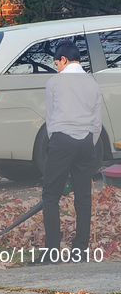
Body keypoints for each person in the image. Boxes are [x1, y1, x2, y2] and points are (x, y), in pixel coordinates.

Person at [37, 41, 102, 265]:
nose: (56, 67)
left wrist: (55, 140)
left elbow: (50, 117)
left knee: (50, 196)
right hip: (86, 142)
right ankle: (80, 250)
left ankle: (52, 251)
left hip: (62, 141)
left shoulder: (54, 82)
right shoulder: (92, 83)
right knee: (83, 197)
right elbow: (97, 121)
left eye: (57, 63)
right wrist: (88, 142)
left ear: (64, 59)